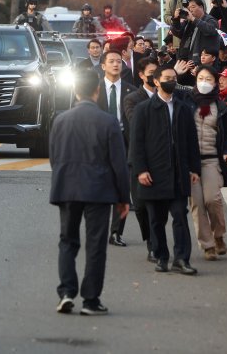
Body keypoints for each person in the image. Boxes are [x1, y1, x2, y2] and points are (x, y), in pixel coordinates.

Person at [49, 68, 129, 316]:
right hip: (99, 189)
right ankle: (91, 299)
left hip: (67, 187)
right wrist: (123, 197)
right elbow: (119, 162)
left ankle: (66, 292)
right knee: (95, 245)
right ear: (97, 91)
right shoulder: (108, 121)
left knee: (67, 241)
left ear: (75, 91)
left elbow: (54, 157)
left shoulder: (60, 120)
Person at [129, 64, 201, 276]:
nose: (172, 81)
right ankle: (161, 257)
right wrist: (141, 170)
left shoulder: (183, 108)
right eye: (167, 77)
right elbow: (137, 143)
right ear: (157, 81)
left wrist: (194, 168)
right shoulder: (144, 109)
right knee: (156, 219)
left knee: (180, 215)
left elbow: (191, 142)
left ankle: (181, 259)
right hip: (153, 174)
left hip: (178, 173)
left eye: (174, 78)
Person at [187, 66, 227, 261]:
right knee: (197, 203)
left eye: (208, 78)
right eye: (200, 78)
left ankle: (219, 235)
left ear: (215, 82)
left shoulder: (221, 107)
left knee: (212, 200)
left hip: (212, 160)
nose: (204, 82)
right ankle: (207, 245)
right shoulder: (186, 104)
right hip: (191, 163)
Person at [95, 50, 137, 247]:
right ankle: (99, 228)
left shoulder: (131, 90)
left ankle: (115, 232)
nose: (115, 64)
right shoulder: (95, 91)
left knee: (122, 189)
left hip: (125, 143)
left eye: (119, 61)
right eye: (111, 61)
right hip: (100, 145)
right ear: (103, 66)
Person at [123, 57, 160, 262]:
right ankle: (149, 238)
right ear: (141, 75)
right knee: (141, 204)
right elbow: (135, 122)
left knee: (159, 206)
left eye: (157, 72)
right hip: (138, 158)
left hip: (162, 160)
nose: (154, 76)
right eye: (151, 72)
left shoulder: (169, 96)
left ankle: (155, 244)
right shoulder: (132, 99)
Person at [170, 0, 219, 64]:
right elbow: (177, 33)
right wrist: (175, 19)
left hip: (200, 61)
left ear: (201, 7)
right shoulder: (189, 21)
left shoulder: (209, 20)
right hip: (185, 60)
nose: (190, 10)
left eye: (193, 7)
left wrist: (193, 19)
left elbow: (211, 30)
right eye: (189, 8)